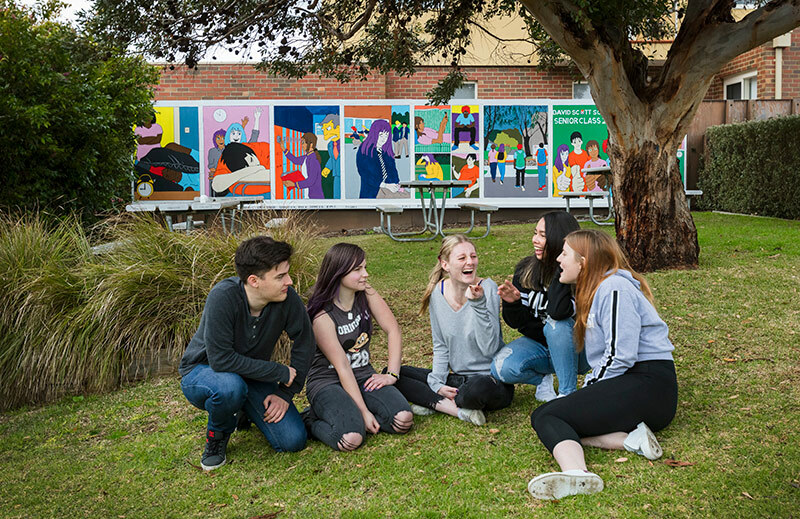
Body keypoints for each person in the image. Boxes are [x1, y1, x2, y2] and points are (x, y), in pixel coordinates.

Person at [527, 230, 677, 500]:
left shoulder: (613, 287)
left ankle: (577, 475)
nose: (558, 259)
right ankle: (632, 440)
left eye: (564, 254)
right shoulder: (598, 289)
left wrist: (589, 389)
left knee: (548, 415)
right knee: (551, 417)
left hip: (648, 385)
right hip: (637, 388)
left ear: (583, 261)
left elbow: (621, 354)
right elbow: (557, 308)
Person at [178, 237, 315, 471]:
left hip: (251, 376)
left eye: (287, 274)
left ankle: (243, 409)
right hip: (205, 372)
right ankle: (217, 436)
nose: (289, 282)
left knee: (292, 440)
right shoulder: (223, 297)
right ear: (254, 281)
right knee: (230, 388)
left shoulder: (286, 298)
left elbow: (305, 342)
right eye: (280, 276)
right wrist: (278, 371)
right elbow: (221, 360)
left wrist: (286, 393)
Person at [303, 244, 413, 451]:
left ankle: (351, 409)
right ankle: (311, 419)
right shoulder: (321, 315)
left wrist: (392, 374)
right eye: (358, 270)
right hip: (328, 382)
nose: (366, 274)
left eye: (364, 267)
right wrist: (363, 412)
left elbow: (393, 330)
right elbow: (342, 366)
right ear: (338, 273)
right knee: (351, 438)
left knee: (403, 420)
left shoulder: (366, 293)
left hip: (363, 376)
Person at [393, 235, 513, 426]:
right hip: (456, 381)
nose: (470, 262)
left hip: (489, 381)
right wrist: (438, 384)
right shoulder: (437, 294)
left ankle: (433, 402)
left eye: (473, 256)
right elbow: (440, 346)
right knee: (394, 374)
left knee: (476, 389)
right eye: (462, 258)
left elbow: (489, 348)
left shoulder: (487, 288)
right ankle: (450, 404)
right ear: (445, 264)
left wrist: (478, 304)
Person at [491, 211, 587, 401]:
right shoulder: (526, 270)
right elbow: (518, 323)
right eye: (535, 233)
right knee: (501, 368)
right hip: (540, 346)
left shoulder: (578, 273)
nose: (535, 239)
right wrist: (513, 304)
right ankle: (542, 379)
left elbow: (559, 313)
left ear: (559, 239)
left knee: (556, 326)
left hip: (579, 351)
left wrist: (560, 271)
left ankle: (567, 394)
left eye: (543, 235)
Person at [356, 119, 405, 198]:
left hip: (389, 191)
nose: (383, 139)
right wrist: (385, 185)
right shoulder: (364, 150)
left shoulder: (386, 151)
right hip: (372, 192)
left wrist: (396, 184)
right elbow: (365, 175)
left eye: (386, 136)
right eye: (381, 135)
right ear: (374, 134)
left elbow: (393, 170)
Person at [283, 132, 324, 199]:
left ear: (311, 145)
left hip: (315, 197)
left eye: (303, 143)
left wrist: (294, 184)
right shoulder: (307, 157)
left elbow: (310, 181)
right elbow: (295, 160)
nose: (302, 145)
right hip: (309, 194)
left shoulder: (314, 161)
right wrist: (284, 150)